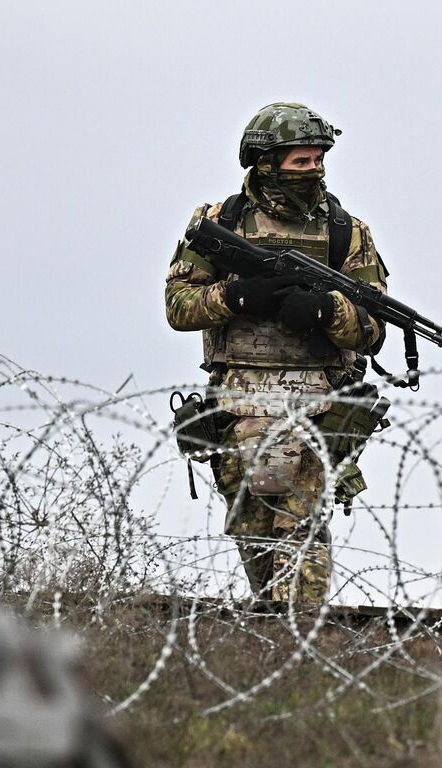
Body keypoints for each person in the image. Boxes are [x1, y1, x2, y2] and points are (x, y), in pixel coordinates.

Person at [164, 102, 388, 605]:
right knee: (251, 528)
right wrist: (240, 297)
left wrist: (326, 312)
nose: (314, 171)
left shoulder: (345, 233)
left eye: (318, 160)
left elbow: (373, 331)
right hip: (238, 400)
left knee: (301, 524)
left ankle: (302, 630)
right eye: (300, 162)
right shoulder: (222, 222)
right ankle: (275, 638)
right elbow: (178, 307)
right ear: (265, 163)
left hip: (319, 402)